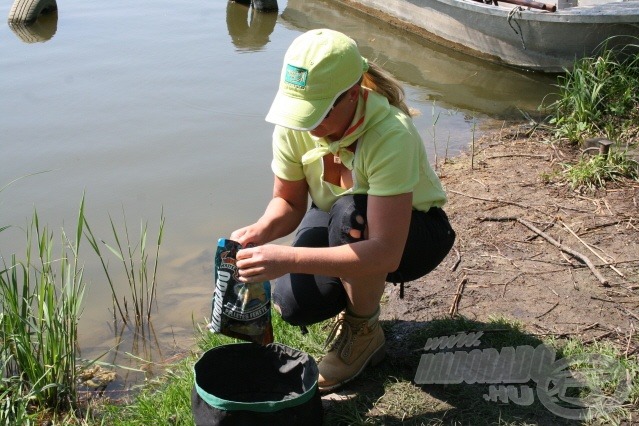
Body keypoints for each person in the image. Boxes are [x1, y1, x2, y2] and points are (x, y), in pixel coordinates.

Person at [230, 28, 455, 392]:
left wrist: (286, 259)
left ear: (352, 95)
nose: (307, 124)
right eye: (300, 111)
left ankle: (363, 330)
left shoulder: (390, 134)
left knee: (353, 214)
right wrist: (260, 231)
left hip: (413, 236)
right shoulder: (297, 124)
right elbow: (288, 203)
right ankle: (352, 297)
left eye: (316, 113)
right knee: (294, 304)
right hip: (337, 216)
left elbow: (385, 251)